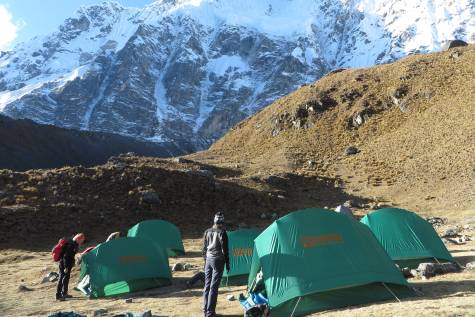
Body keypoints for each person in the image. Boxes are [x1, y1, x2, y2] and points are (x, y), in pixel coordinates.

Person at [202, 212, 230, 317]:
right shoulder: (222, 232)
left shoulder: (207, 231)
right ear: (222, 221)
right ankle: (210, 313)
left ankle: (206, 311)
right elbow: (225, 251)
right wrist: (227, 264)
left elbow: (204, 249)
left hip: (208, 259)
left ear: (214, 221)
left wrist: (205, 261)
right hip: (218, 260)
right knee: (214, 287)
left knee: (207, 286)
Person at [56, 233, 85, 301]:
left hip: (68, 264)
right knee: (61, 278)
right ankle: (58, 295)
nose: (82, 242)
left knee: (66, 278)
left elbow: (71, 255)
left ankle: (64, 293)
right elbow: (65, 256)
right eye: (81, 240)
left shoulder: (74, 243)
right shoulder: (70, 245)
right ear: (78, 239)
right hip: (64, 264)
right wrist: (66, 267)